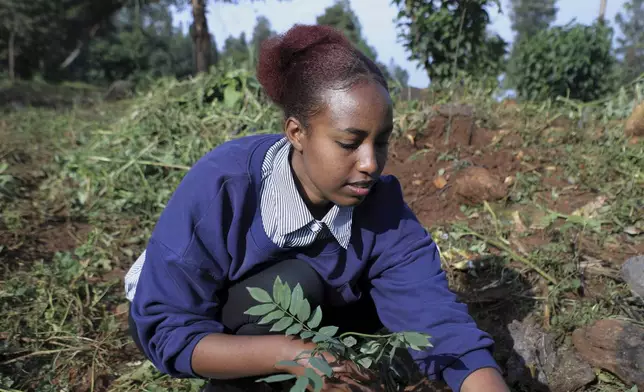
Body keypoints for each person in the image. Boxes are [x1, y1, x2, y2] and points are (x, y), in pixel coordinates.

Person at [124, 24, 510, 392]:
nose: (371, 164)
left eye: (380, 142)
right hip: (194, 318)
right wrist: (289, 355)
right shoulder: (224, 187)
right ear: (297, 133)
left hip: (307, 317)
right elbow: (166, 329)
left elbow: (439, 323)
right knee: (296, 282)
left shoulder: (380, 208)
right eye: (349, 143)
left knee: (379, 302)